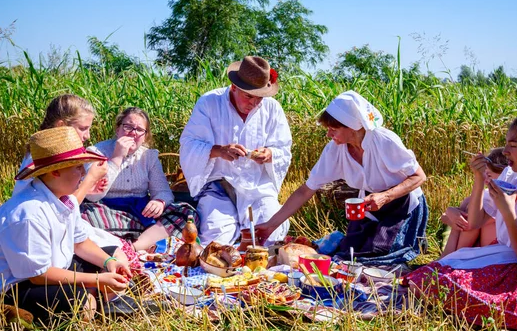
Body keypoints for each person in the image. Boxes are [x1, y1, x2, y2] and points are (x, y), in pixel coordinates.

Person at [408, 113, 517, 331]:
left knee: (445, 289)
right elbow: (474, 223)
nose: (505, 151)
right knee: (424, 279)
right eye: (506, 144)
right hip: (502, 258)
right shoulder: (512, 177)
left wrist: (508, 211)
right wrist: (478, 179)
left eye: (512, 145)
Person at [0, 127, 132, 323]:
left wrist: (109, 263)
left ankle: (93, 299)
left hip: (52, 270)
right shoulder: (28, 213)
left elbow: (80, 243)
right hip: (14, 286)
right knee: (81, 305)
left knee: (115, 255)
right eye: (77, 167)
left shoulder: (64, 200)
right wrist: (98, 281)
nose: (83, 173)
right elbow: (38, 275)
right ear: (56, 171)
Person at [257, 90, 428, 266]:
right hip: (369, 204)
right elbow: (305, 190)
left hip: (401, 204)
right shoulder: (335, 150)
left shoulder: (383, 141)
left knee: (378, 258)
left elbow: (419, 176)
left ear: (353, 126)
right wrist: (271, 225)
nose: (328, 134)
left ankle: (414, 240)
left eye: (334, 129)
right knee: (347, 255)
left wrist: (386, 196)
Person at [179, 56, 292, 246]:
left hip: (257, 188)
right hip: (219, 186)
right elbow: (189, 144)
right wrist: (218, 150)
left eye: (260, 98)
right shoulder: (209, 102)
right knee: (216, 241)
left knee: (270, 236)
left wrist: (270, 154)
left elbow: (284, 148)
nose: (254, 103)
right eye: (249, 96)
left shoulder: (273, 109)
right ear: (234, 87)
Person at [13, 94, 130, 265]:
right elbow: (58, 210)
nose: (87, 135)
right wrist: (89, 180)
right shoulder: (42, 161)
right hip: (46, 236)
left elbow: (61, 201)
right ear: (62, 126)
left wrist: (87, 188)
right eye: (83, 128)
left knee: (120, 252)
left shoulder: (45, 158)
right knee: (117, 254)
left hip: (62, 228)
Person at [82, 107, 198, 252]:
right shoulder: (97, 152)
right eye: (128, 127)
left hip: (141, 213)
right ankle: (145, 242)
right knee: (86, 216)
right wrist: (117, 157)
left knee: (187, 213)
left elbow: (163, 191)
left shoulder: (148, 156)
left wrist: (159, 202)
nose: (133, 133)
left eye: (139, 130)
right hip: (108, 212)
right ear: (118, 129)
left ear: (145, 136)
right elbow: (93, 196)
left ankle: (133, 247)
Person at [439, 147, 508, 258]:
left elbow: (470, 224)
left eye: (489, 175)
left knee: (468, 211)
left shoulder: (504, 199)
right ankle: (449, 257)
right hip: (480, 247)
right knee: (468, 202)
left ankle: (453, 257)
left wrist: (450, 218)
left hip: (494, 251)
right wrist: (450, 211)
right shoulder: (489, 195)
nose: (486, 180)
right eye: (485, 175)